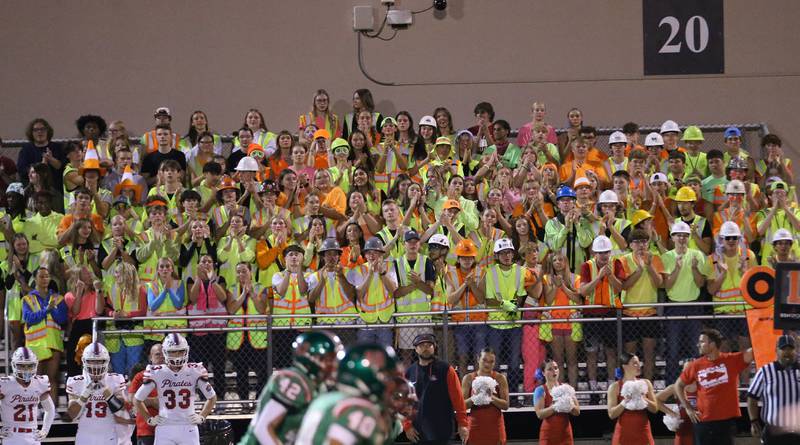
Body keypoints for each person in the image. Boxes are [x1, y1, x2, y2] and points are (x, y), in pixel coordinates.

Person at [238, 331, 344, 445]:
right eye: (328, 359)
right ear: (312, 358)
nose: (333, 365)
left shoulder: (318, 385)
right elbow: (262, 429)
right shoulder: (294, 380)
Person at [296, 343, 400, 444]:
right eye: (386, 375)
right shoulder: (357, 407)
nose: (391, 384)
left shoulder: (329, 398)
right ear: (367, 375)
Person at [482, 238, 538, 405]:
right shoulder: (490, 272)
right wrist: (507, 305)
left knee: (514, 363)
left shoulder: (521, 271)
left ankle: (512, 398)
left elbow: (521, 296)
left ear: (513, 254)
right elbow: (489, 299)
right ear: (497, 255)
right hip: (495, 325)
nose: (506, 255)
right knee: (495, 363)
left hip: (514, 325)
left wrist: (510, 305)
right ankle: (497, 397)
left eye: (508, 252)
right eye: (502, 253)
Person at [133, 333, 217, 445]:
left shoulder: (194, 370)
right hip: (165, 426)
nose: (177, 355)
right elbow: (137, 399)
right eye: (173, 351)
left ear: (186, 351)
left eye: (180, 351)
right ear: (165, 352)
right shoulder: (157, 372)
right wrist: (149, 419)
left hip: (188, 426)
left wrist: (202, 416)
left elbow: (212, 397)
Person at [676, 328, 754, 445]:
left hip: (725, 422)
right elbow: (678, 385)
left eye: (702, 342)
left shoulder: (731, 360)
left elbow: (754, 351)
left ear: (712, 344)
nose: (698, 345)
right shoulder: (695, 365)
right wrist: (688, 407)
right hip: (702, 422)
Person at [661, 221, 707, 383]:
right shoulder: (666, 257)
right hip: (674, 307)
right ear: (672, 237)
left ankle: (696, 384)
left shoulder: (698, 255)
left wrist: (694, 268)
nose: (682, 238)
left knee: (696, 349)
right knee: (673, 351)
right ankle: (671, 386)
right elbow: (666, 285)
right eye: (679, 235)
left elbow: (701, 284)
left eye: (685, 235)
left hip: (693, 306)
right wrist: (677, 269)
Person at [404, 333, 469, 445]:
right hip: (418, 433)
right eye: (421, 345)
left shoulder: (446, 369)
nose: (425, 348)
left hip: (443, 431)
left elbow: (458, 398)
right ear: (415, 349)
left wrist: (463, 424)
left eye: (429, 345)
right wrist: (407, 426)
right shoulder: (409, 372)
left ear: (434, 347)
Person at [65, 342, 130, 444]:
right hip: (85, 436)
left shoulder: (115, 379)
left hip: (109, 435)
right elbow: (72, 415)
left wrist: (107, 392)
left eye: (99, 361)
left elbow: (120, 409)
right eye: (92, 361)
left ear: (106, 361)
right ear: (84, 361)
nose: (96, 365)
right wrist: (85, 395)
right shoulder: (76, 382)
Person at [747, 334, 800, 445]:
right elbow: (752, 397)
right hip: (774, 431)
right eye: (783, 349)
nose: (787, 352)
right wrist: (754, 421)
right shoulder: (765, 371)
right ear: (776, 350)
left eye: (790, 349)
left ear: (796, 350)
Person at [0, 347, 56, 444]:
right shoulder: (5, 384)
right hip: (12, 435)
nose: (26, 369)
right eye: (22, 366)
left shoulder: (39, 383)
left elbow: (49, 409)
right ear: (14, 365)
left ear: (35, 365)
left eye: (29, 365)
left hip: (33, 436)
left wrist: (45, 429)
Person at [607, 352, 658, 445]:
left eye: (639, 362)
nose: (639, 365)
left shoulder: (646, 383)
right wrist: (625, 401)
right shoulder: (615, 387)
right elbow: (611, 414)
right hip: (623, 433)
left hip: (643, 430)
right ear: (624, 366)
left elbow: (655, 409)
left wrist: (644, 398)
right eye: (635, 363)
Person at [462, 348, 509, 445]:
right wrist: (475, 397)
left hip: (495, 427)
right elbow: (462, 406)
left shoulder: (500, 378)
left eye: (491, 361)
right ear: (478, 359)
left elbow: (506, 405)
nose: (487, 364)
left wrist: (490, 397)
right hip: (475, 426)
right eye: (484, 360)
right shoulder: (468, 378)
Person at [534, 358, 580, 445]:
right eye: (550, 369)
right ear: (543, 373)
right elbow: (539, 414)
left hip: (565, 433)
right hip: (548, 434)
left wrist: (569, 405)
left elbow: (577, 412)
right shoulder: (540, 390)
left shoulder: (566, 388)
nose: (554, 371)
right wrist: (555, 407)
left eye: (555, 368)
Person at [129, 343, 164, 445]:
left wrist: (145, 401)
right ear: (150, 357)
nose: (161, 357)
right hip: (146, 429)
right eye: (158, 354)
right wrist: (154, 401)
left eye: (164, 354)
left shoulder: (176, 376)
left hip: (169, 428)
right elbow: (132, 399)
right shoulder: (140, 376)